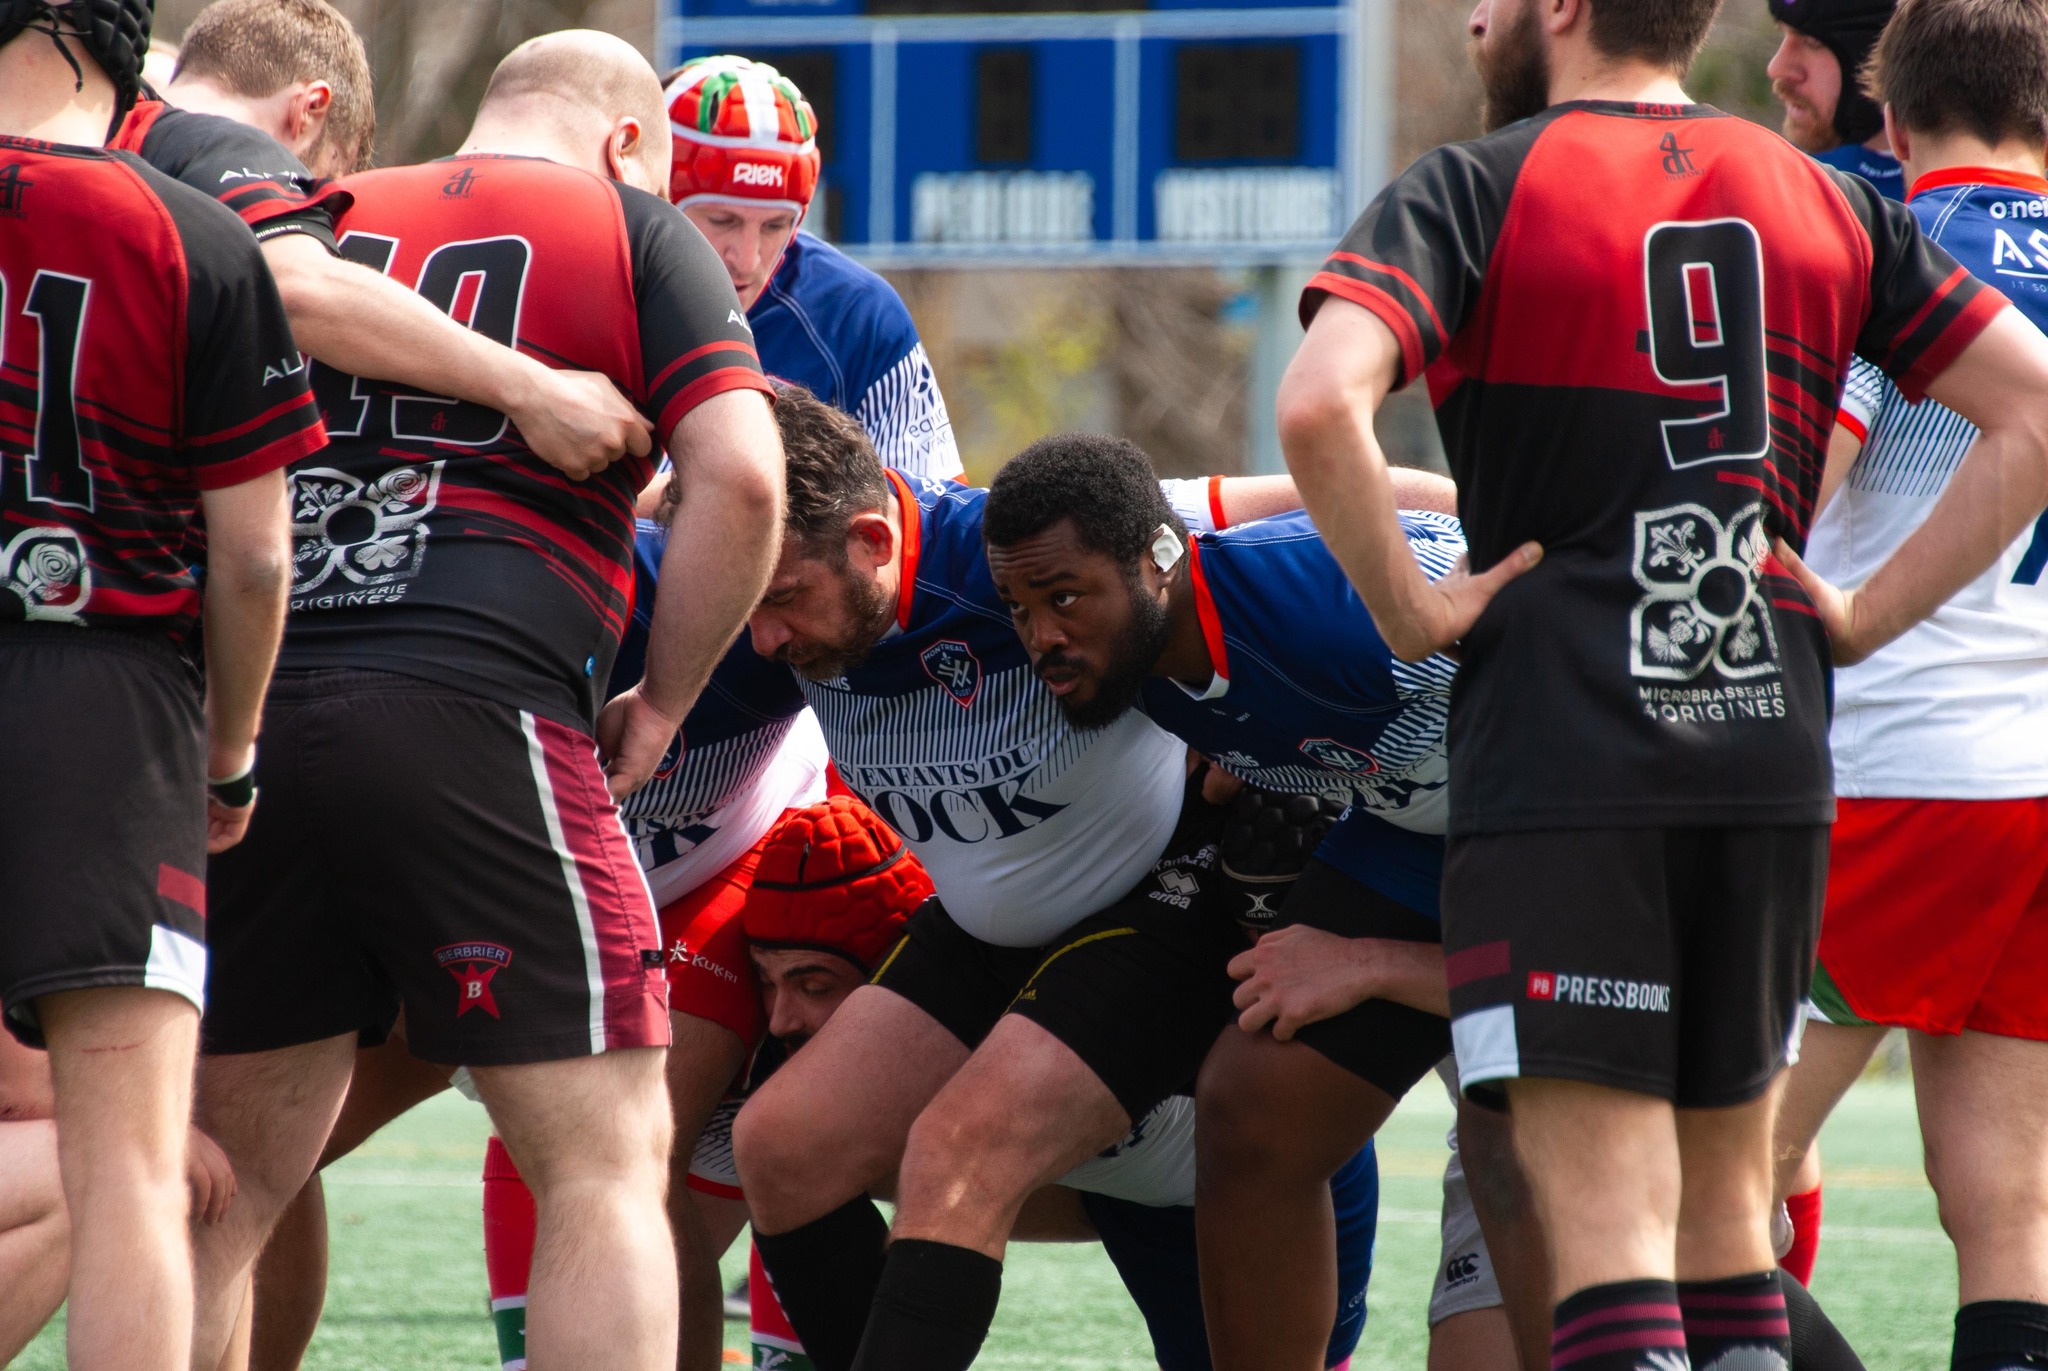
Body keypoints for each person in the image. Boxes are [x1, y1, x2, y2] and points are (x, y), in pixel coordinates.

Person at [1276, 2, 2048, 1371]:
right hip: (1770, 752)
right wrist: (1862, 614)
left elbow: (1319, 400)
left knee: (1616, 1248)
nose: (1473, 17)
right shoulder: (1822, 194)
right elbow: (2034, 405)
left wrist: (1410, 606)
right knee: (1726, 1246)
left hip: (1572, 751)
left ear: (1562, 8)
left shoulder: (1477, 182)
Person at [182, 31, 784, 1371]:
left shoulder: (322, 212)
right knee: (605, 1157)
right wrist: (666, 701)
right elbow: (742, 479)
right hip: (478, 694)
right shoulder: (632, 227)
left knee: (224, 1188)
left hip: (259, 710)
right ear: (632, 145)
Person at [728, 385, 1443, 1371]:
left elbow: (1384, 492)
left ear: (869, 540)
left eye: (780, 599)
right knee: (781, 1147)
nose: (763, 637)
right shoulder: (767, 586)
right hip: (991, 933)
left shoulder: (1017, 546)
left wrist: (1487, 574)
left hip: (1159, 903)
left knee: (961, 1151)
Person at [980, 434, 1459, 1371]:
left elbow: (1599, 956)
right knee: (1247, 1101)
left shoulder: (1347, 619)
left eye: (1065, 597)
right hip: (1417, 828)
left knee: (1558, 1167)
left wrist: (1372, 966)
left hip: (1595, 822)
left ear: (1159, 559)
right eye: (1019, 608)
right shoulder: (1143, 647)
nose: (1041, 636)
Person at [0, 0, 328, 1363]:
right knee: (128, 1168)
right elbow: (255, 559)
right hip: (112, 707)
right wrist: (232, 752)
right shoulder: (196, 236)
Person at [1765, 6, 2048, 1371]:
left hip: (1903, 768)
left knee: (1690, 1171)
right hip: (2035, 779)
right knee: (2003, 1203)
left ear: (1890, 115)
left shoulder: (1895, 255)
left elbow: (1804, 477)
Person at [719, 796, 1379, 1371]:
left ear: (890, 960)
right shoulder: (816, 1069)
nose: (784, 1018)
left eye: (814, 984)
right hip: (1129, 1177)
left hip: (1232, 1182)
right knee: (792, 1146)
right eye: (767, 981)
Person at [113, 0, 650, 485]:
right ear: (308, 112)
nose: (308, 210)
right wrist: (535, 391)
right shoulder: (229, 146)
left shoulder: (107, 122)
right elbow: (303, 287)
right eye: (317, 182)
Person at [666, 55, 960, 480]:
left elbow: (930, 518)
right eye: (722, 221)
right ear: (659, 199)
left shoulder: (858, 318)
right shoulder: (581, 282)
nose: (747, 259)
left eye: (774, 226)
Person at [1767, 0, 1903, 199]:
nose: (1776, 68)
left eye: (1813, 43)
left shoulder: (1950, 203)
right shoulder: (1790, 182)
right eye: (1783, 33)